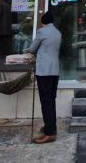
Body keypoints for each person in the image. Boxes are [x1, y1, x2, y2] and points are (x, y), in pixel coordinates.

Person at [25, 11, 61, 144]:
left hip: (44, 71)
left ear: (43, 22)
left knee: (46, 102)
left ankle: (49, 133)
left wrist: (25, 51)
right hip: (54, 70)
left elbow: (32, 49)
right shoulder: (58, 32)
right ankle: (51, 127)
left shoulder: (42, 31)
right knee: (51, 100)